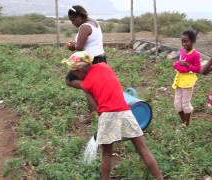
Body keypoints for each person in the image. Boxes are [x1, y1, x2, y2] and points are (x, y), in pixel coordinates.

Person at [62, 51, 163, 180]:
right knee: (143, 149)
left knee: (106, 154)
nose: (74, 74)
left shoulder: (86, 84)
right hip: (126, 111)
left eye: (74, 71)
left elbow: (95, 107)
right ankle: (159, 177)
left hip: (107, 115)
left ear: (80, 70)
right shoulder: (105, 67)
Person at [66, 5, 106, 121]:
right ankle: (95, 113)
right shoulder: (93, 22)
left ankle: (94, 114)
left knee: (71, 80)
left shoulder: (84, 27)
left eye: (73, 19)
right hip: (100, 59)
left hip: (89, 62)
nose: (73, 23)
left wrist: (71, 45)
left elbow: (79, 47)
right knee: (88, 85)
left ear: (80, 16)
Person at [172, 30, 201, 126]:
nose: (184, 44)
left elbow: (197, 69)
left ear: (193, 41)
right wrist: (176, 64)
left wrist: (187, 64)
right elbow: (180, 62)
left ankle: (186, 124)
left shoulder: (195, 54)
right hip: (179, 80)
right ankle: (183, 121)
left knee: (185, 104)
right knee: (177, 104)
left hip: (188, 82)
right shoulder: (182, 51)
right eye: (182, 41)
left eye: (186, 41)